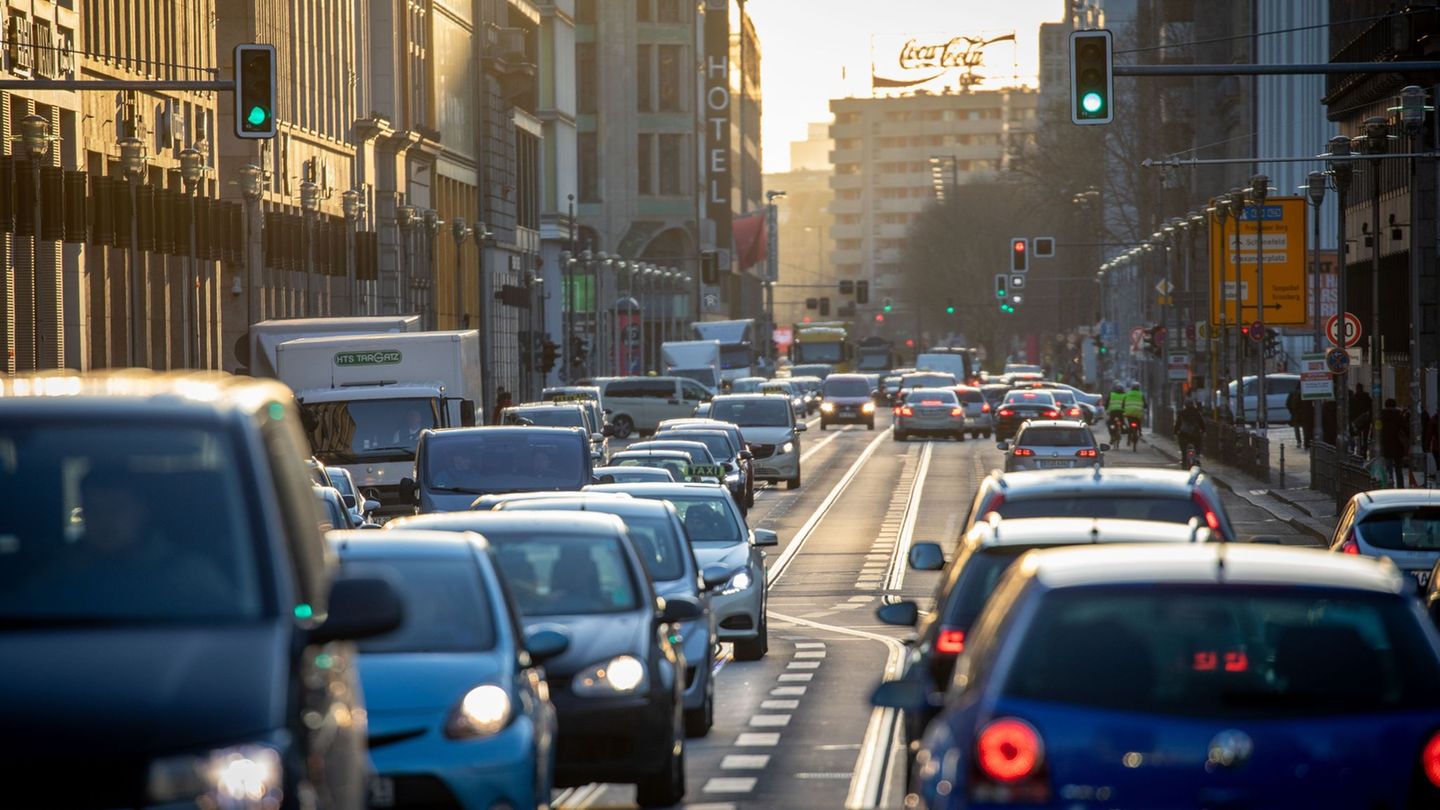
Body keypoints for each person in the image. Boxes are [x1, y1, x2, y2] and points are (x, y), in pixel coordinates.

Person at [1380, 398, 1410, 487]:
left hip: (1386, 444)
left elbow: (1377, 429)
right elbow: (1406, 429)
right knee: (1398, 468)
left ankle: (1390, 484)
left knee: (1388, 466)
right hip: (1398, 444)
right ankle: (1400, 486)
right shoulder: (1399, 415)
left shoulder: (1381, 415)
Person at [1175, 399, 1206, 463]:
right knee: (1198, 445)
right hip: (1195, 435)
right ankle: (1197, 457)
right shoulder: (1197, 412)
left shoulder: (1182, 413)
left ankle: (1184, 460)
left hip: (1184, 435)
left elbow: (1178, 424)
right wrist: (1203, 430)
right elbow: (1201, 423)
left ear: (1185, 405)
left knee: (1183, 449)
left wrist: (1175, 432)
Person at [1350, 383, 1373, 455]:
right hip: (1366, 420)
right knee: (1365, 436)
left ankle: (1359, 452)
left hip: (1356, 420)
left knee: (1357, 436)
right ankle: (1364, 451)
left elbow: (1351, 410)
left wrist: (1352, 419)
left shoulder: (1354, 398)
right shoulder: (1367, 398)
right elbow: (1371, 409)